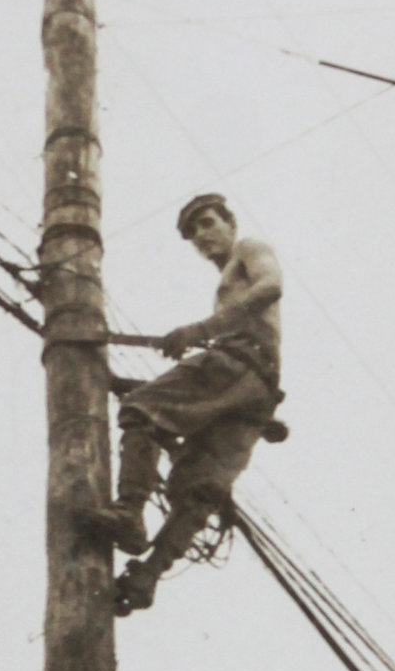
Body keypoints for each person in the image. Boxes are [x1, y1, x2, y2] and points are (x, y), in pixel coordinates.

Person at [80, 193, 286, 613]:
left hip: (238, 365)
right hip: (256, 393)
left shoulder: (250, 248)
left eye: (208, 223)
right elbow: (202, 396)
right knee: (198, 488)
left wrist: (200, 331)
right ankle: (147, 576)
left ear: (231, 222)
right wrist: (123, 382)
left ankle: (130, 512)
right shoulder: (228, 281)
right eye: (193, 233)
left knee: (141, 410)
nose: (201, 236)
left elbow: (271, 287)